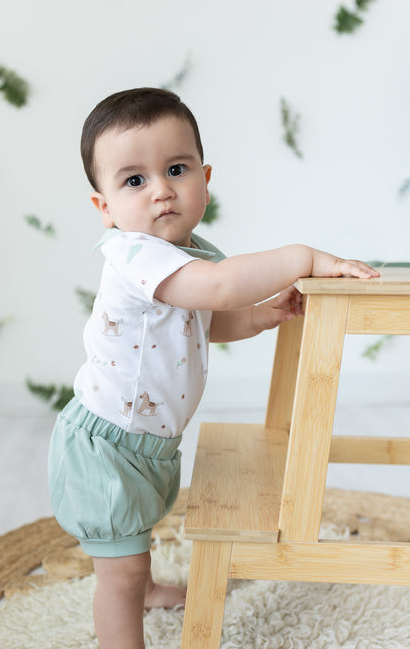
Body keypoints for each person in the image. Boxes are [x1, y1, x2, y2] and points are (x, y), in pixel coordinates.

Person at [48, 87, 379, 649]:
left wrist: (259, 316)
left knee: (137, 535)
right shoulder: (133, 255)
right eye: (134, 180)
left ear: (204, 177)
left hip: (148, 442)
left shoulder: (190, 251)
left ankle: (147, 584)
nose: (161, 192)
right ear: (104, 206)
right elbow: (219, 288)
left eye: (175, 169)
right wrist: (304, 257)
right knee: (118, 570)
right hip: (106, 446)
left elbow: (209, 317)